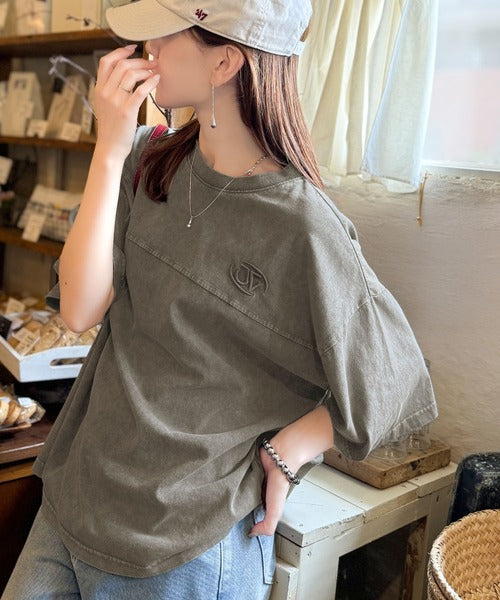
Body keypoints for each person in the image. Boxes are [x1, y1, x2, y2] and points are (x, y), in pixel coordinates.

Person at [2, 1, 438, 599]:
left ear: (224, 63)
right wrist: (109, 150)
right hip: (73, 498)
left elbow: (398, 378)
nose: (149, 48)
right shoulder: (147, 160)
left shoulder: (303, 225)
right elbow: (79, 310)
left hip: (182, 544)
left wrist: (293, 447)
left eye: (167, 34)